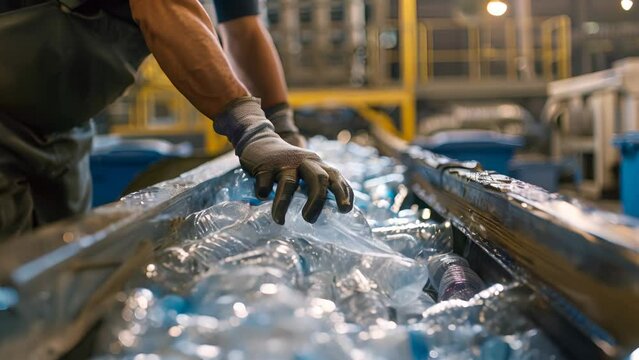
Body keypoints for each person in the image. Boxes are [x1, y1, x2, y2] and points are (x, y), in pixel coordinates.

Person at [0, 0, 353, 240]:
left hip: (62, 129)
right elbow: (162, 7)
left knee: (61, 274)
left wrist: (283, 130)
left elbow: (244, 29)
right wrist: (251, 129)